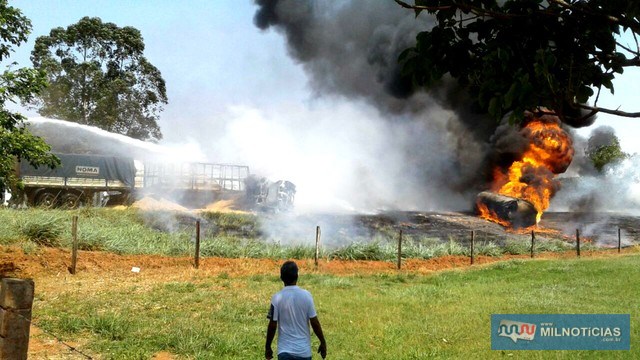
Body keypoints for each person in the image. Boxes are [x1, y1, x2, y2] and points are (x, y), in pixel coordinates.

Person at [265, 261, 327, 360]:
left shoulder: (276, 298)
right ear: (297, 276)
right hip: (304, 352)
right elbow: (314, 322)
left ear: (281, 278)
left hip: (284, 352)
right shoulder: (307, 296)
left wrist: (268, 347)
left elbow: (272, 325)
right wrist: (323, 342)